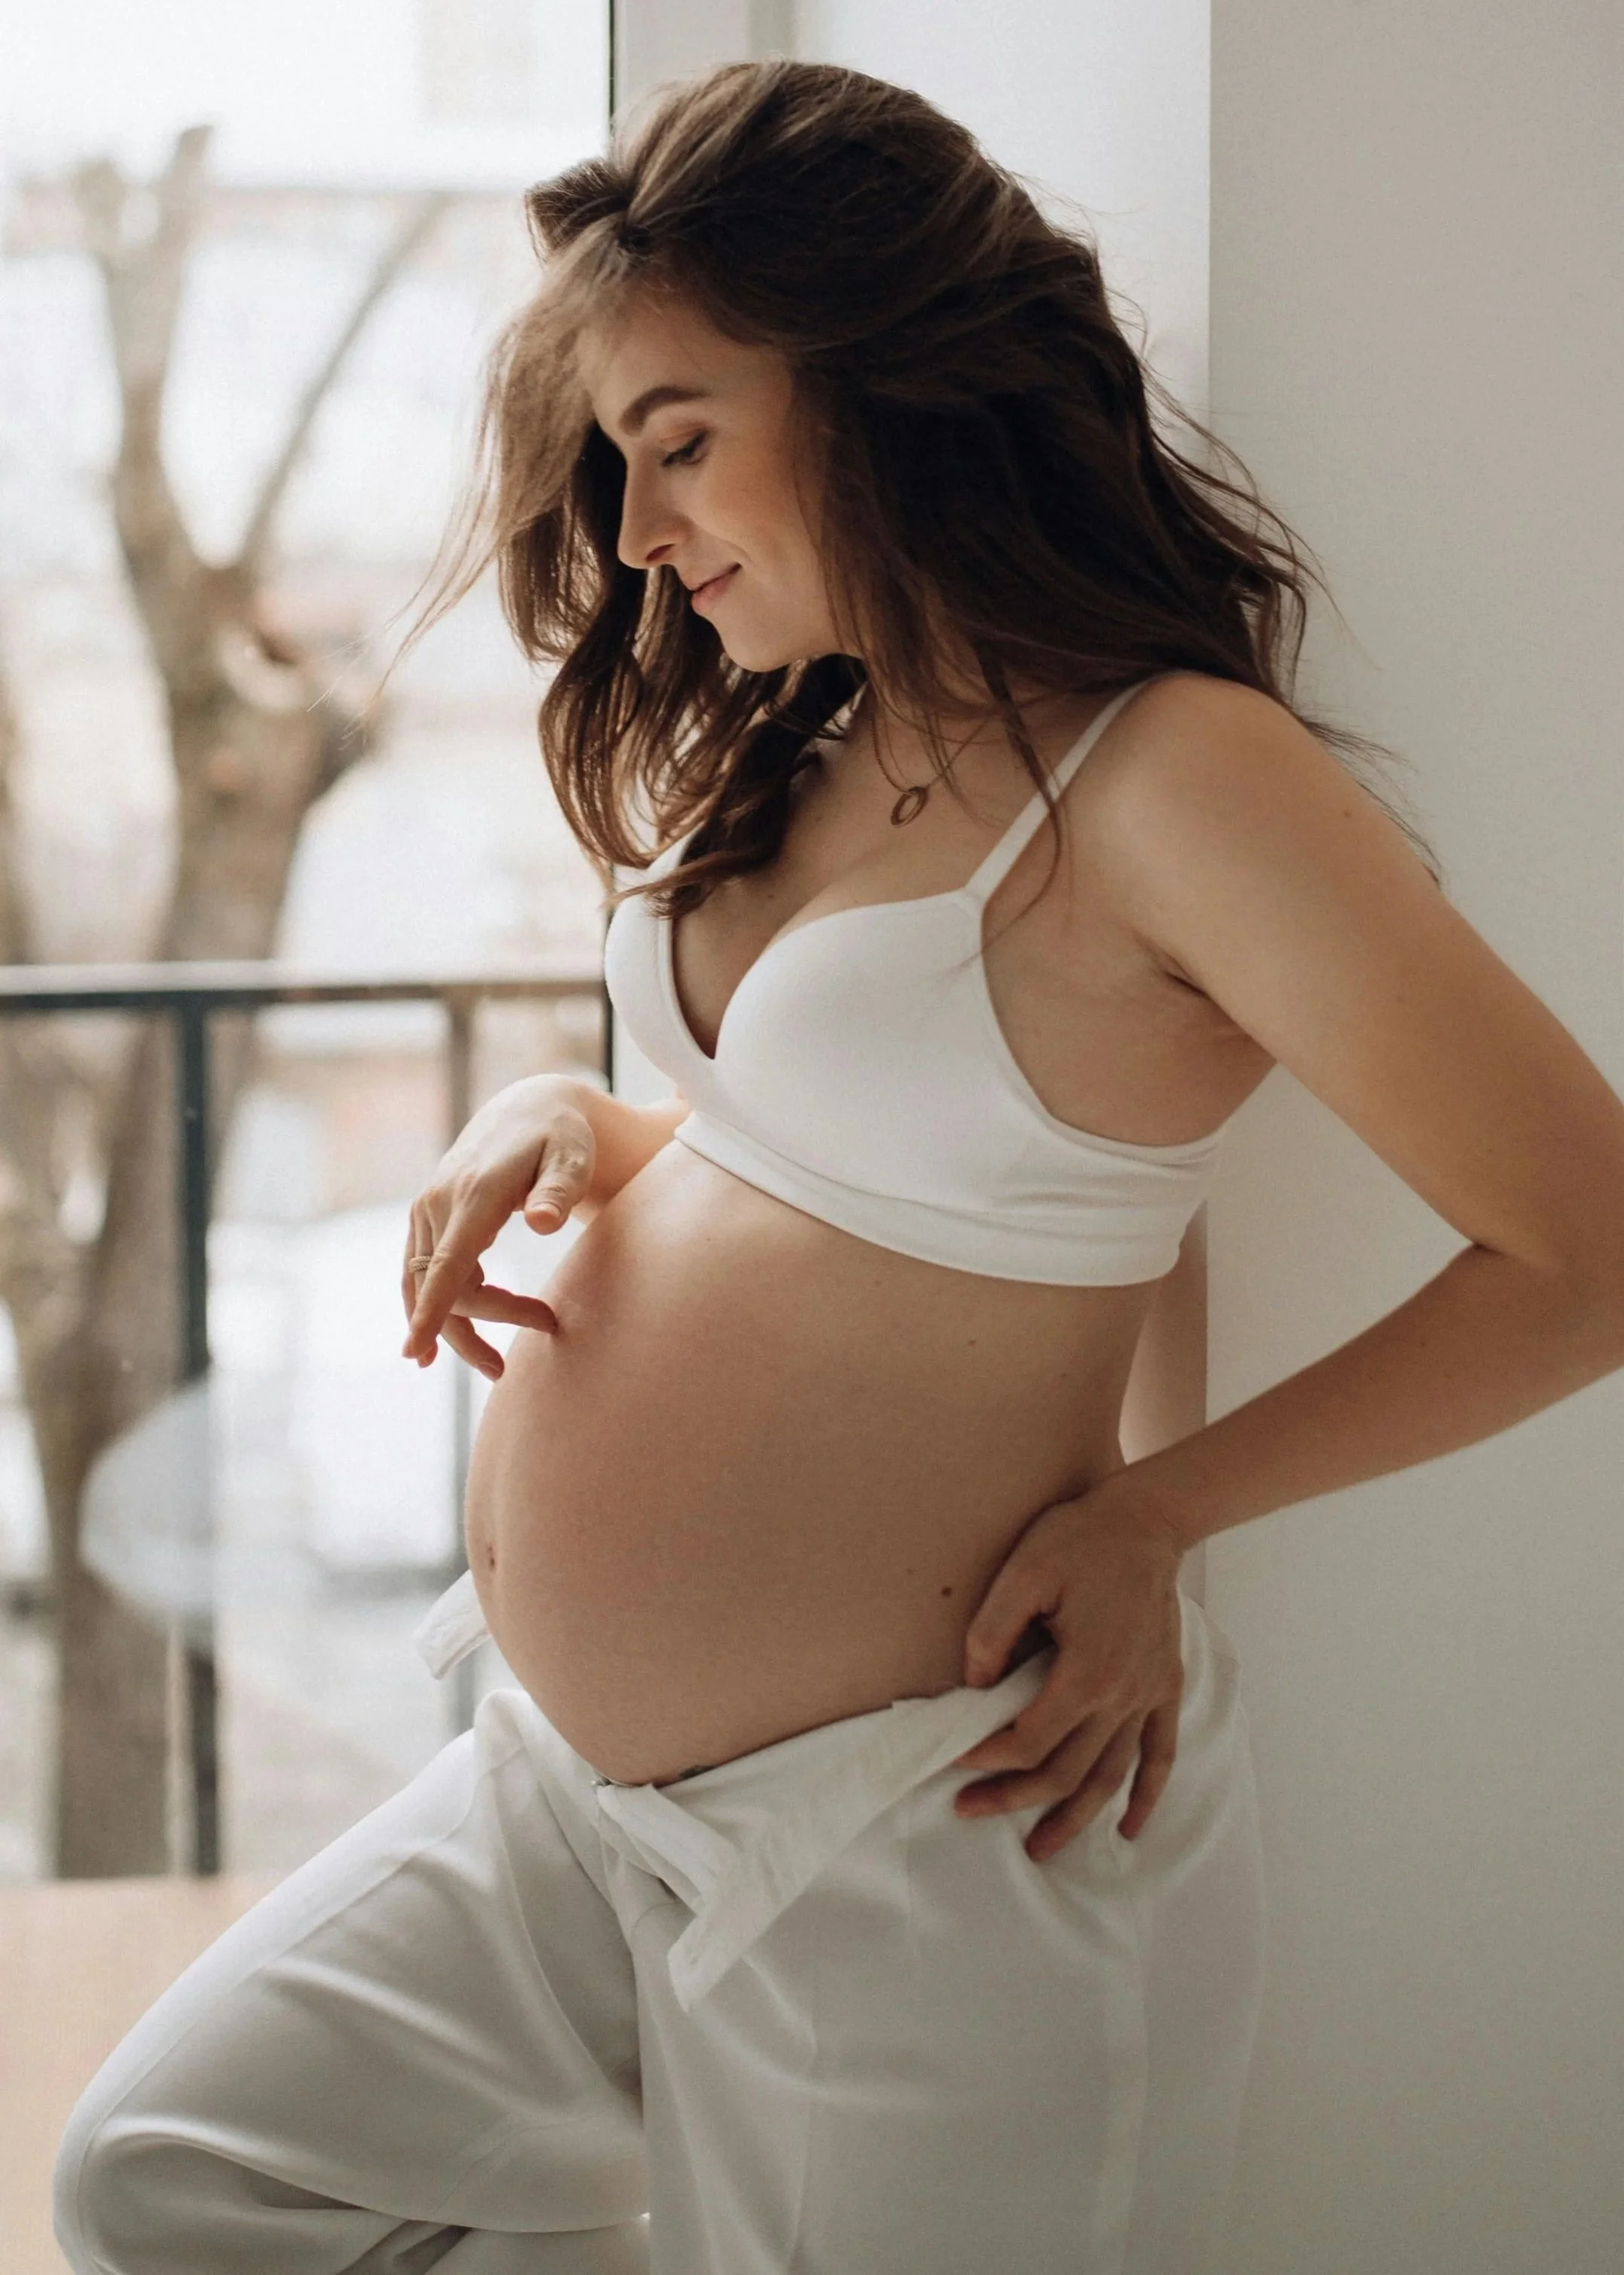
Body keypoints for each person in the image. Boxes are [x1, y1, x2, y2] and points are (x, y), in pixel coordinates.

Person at [56, 58, 1624, 2275]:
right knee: (174, 2173)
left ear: (889, 384)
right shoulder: (835, 727)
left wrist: (1161, 1517)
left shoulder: (1179, 778)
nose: (635, 532)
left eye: (680, 438)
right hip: (571, 1797)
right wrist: (573, 1125)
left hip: (917, 1833)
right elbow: (857, 1163)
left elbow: (1589, 1246)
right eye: (613, 463)